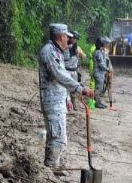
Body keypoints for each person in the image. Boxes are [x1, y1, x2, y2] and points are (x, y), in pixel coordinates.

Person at [38, 23, 93, 170]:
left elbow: (61, 76)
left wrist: (67, 97)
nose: (68, 41)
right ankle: (51, 168)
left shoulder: (56, 51)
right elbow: (59, 75)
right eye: (67, 37)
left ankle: (52, 167)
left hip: (58, 99)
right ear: (61, 37)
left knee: (57, 136)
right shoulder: (49, 52)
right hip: (52, 101)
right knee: (58, 138)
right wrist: (80, 88)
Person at [64, 31, 86, 111]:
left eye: (76, 39)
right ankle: (66, 103)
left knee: (74, 88)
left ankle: (73, 102)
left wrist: (80, 54)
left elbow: (84, 57)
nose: (74, 40)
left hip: (74, 71)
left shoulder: (77, 48)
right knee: (66, 88)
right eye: (73, 38)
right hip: (66, 70)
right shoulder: (65, 46)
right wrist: (67, 48)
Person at [93, 36, 113, 109]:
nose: (105, 45)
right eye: (104, 43)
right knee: (98, 88)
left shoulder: (101, 52)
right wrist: (108, 69)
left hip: (101, 73)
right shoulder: (98, 53)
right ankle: (96, 103)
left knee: (100, 88)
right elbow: (101, 64)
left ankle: (98, 101)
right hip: (98, 73)